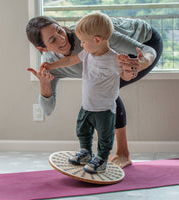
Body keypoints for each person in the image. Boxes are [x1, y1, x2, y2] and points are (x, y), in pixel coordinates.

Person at [26, 13, 163, 168]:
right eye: (53, 39)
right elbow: (47, 110)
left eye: (59, 30)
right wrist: (44, 84)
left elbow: (147, 49)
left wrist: (144, 61)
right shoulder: (51, 62)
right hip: (118, 53)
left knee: (104, 94)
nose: (61, 38)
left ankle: (122, 154)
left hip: (145, 42)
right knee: (99, 95)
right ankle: (92, 152)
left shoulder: (92, 37)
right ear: (42, 48)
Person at [42, 12, 130, 173]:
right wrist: (51, 66)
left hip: (104, 109)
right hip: (87, 105)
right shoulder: (87, 53)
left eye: (83, 41)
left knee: (105, 136)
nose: (80, 45)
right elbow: (70, 60)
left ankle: (102, 158)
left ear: (96, 40)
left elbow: (125, 75)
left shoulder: (113, 59)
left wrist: (128, 69)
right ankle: (86, 153)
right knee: (82, 130)